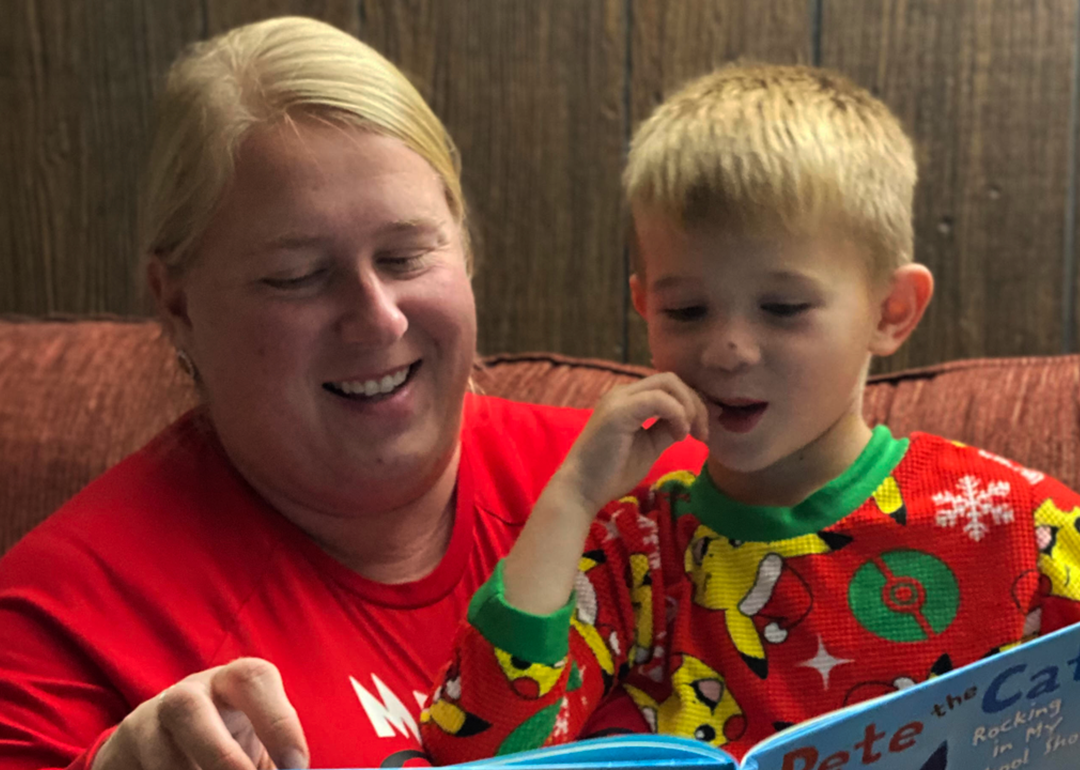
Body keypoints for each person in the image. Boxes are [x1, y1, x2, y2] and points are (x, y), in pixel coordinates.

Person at [0, 17, 707, 770]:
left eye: (406, 255)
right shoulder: (62, 618)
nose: (378, 317)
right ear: (178, 305)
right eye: (297, 276)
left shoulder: (663, 491)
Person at [418, 64, 1080, 763]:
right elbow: (475, 751)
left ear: (892, 312)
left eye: (783, 308)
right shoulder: (635, 556)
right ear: (645, 308)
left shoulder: (1016, 523)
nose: (728, 350)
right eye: (687, 311)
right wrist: (571, 498)